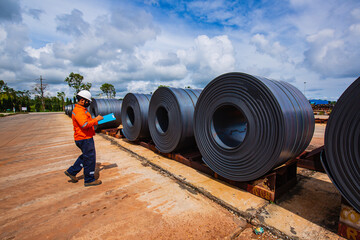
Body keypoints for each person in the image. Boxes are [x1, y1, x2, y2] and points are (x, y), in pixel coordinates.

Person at [64, 90, 104, 187]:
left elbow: (86, 121)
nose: (89, 103)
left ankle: (72, 171)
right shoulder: (79, 111)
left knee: (85, 156)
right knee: (90, 159)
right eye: (87, 101)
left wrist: (95, 121)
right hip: (84, 138)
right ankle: (89, 180)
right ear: (82, 100)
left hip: (83, 137)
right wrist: (96, 120)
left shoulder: (81, 110)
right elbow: (84, 124)